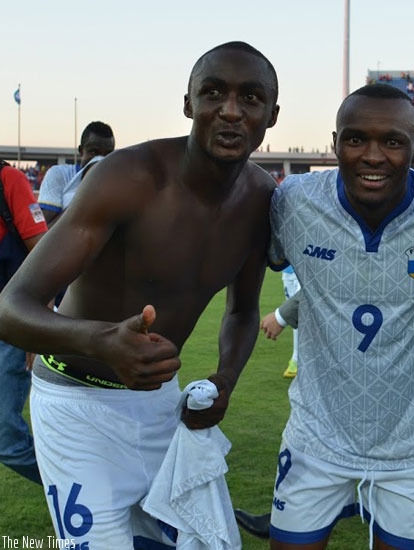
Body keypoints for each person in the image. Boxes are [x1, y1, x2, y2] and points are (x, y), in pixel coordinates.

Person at [0, 41, 280, 547]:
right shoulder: (127, 177)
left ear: (272, 115)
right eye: (213, 92)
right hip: (74, 406)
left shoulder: (261, 199)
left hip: (159, 405)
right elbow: (11, 307)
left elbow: (242, 310)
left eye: (252, 97)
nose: (232, 110)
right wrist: (101, 340)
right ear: (189, 103)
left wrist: (226, 380)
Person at [246, 83, 414, 550]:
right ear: (334, 143)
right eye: (355, 139)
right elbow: (243, 265)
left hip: (407, 449)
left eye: (392, 141)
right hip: (314, 439)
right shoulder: (295, 201)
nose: (372, 155)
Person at [0, 161, 48, 484]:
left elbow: (45, 256)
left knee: (5, 438)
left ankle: (83, 490)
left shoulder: (9, 180)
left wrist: (39, 330)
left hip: (12, 326)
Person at [38, 121, 115, 226]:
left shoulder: (119, 182)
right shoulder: (59, 174)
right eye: (93, 152)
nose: (100, 160)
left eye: (108, 154)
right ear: (81, 151)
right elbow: (44, 227)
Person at [260, 264, 301, 377]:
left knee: (303, 313)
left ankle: (299, 361)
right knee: (296, 316)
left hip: (305, 268)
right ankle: (296, 360)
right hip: (288, 270)